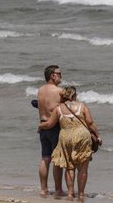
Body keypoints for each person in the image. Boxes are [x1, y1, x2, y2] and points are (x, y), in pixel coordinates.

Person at [39, 86, 101, 200]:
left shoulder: (58, 109)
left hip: (66, 137)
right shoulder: (82, 106)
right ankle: (81, 194)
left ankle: (70, 193)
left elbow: (49, 124)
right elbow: (90, 123)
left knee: (69, 167)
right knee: (83, 168)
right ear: (73, 96)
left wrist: (40, 126)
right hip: (82, 136)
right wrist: (98, 135)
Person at [37, 65, 65, 197]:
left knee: (45, 158)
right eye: (59, 73)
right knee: (57, 160)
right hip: (54, 127)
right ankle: (58, 189)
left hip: (42, 125)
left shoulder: (40, 90)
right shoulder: (59, 91)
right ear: (52, 75)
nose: (61, 76)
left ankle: (43, 189)